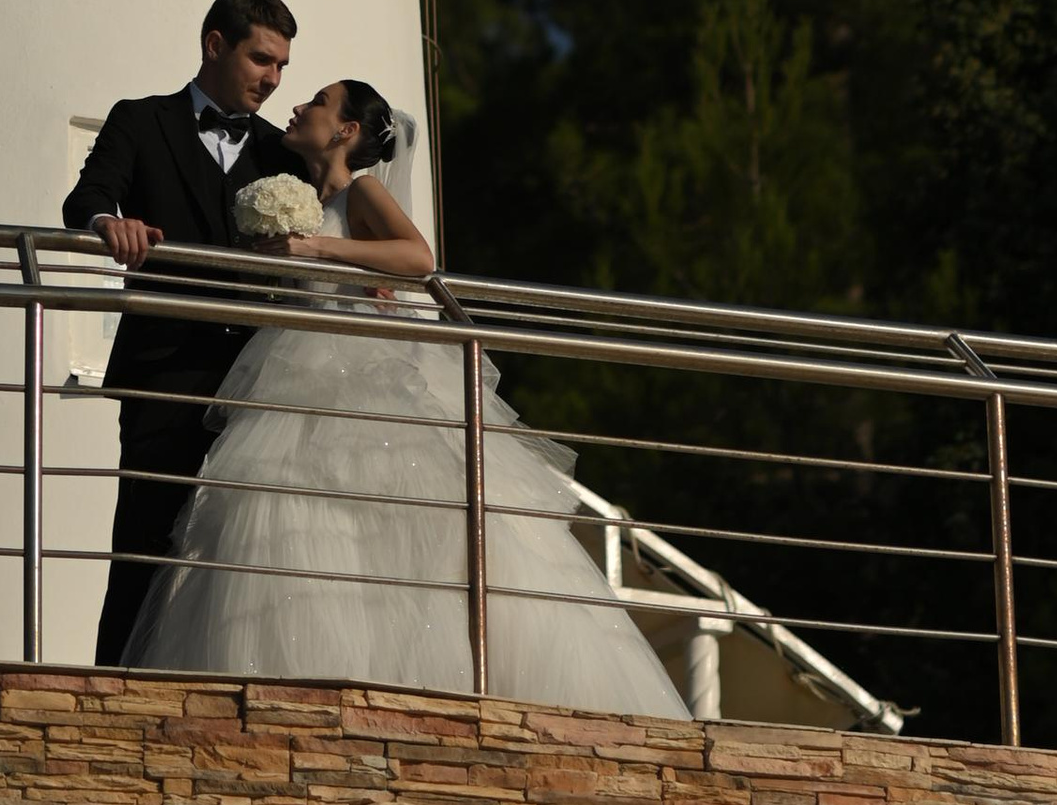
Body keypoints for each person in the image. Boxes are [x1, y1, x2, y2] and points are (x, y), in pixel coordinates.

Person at [121, 75, 691, 717]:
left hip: (350, 373)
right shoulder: (305, 193)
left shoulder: (359, 190)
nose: (300, 105)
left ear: (346, 131)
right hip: (293, 366)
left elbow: (418, 258)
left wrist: (317, 248)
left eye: (317, 102)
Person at [63, 0, 305, 667]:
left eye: (283, 65)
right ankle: (112, 692)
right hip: (164, 365)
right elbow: (85, 196)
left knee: (244, 546)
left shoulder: (280, 152)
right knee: (146, 537)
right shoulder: (141, 121)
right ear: (215, 45)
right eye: (262, 59)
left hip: (260, 376)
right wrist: (110, 223)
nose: (274, 78)